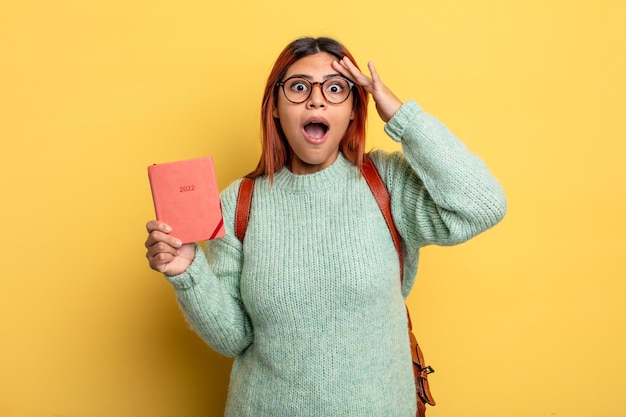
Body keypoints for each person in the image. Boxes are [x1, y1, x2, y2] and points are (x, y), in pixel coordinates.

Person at [145, 36, 507, 416]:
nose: (316, 100)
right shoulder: (238, 203)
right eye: (299, 87)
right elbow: (233, 338)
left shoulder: (386, 182)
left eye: (335, 89)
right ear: (275, 109)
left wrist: (400, 115)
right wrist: (187, 271)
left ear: (354, 109)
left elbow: (482, 205)